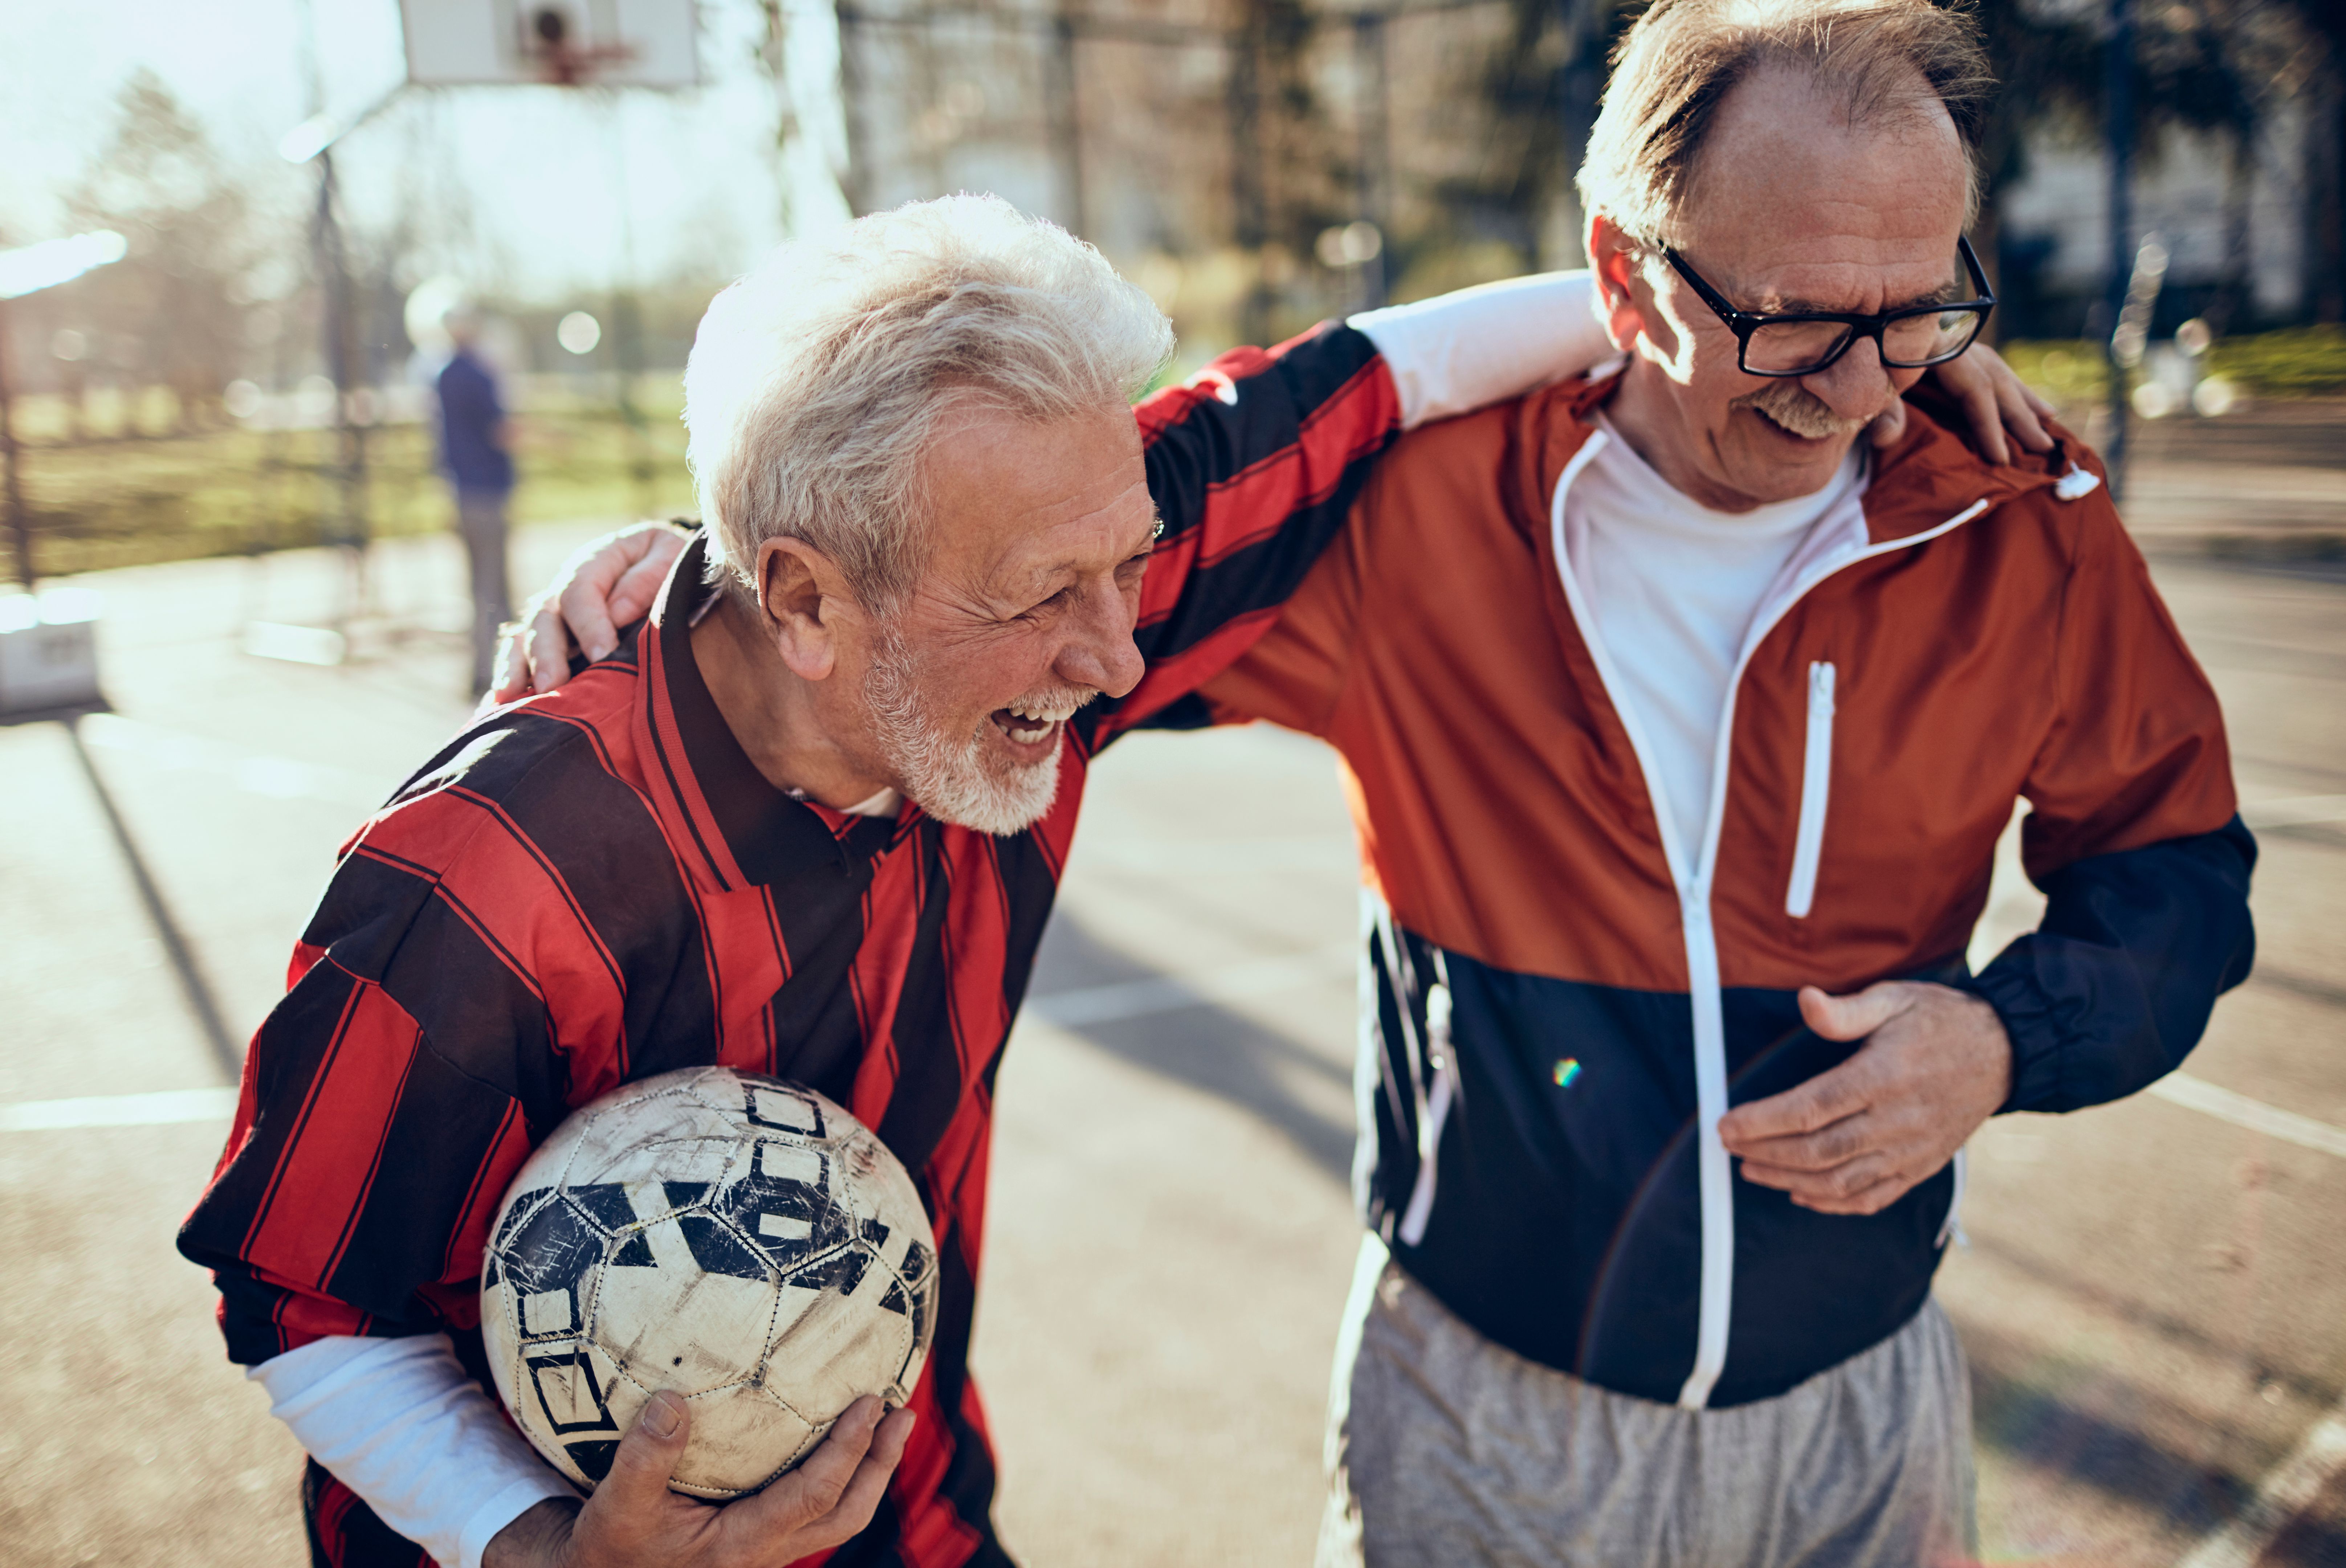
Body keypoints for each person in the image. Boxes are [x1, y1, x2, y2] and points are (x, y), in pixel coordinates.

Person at [524, 4, 2251, 1563]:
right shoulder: (1413, 514)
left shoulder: (2019, 523)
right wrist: (736, 569)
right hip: (1482, 1425)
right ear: (1626, 272)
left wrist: (2005, 1039)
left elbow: (2174, 873)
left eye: (1914, 310)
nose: (1861, 390)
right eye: (1797, 318)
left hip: (1860, 1410)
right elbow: (1012, 560)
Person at [178, 195, 1730, 1568]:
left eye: (1129, 564)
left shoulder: (1041, 547)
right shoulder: (491, 868)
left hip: (915, 1528)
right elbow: (304, 1299)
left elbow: (1376, 376)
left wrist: (1761, 316)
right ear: (802, 600)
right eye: (1048, 596)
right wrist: (533, 1543)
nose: (1116, 653)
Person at [434, 302, 516, 693]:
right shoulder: (478, 375)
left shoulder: (443, 375)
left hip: (462, 490)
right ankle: (499, 670)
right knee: (493, 585)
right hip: (487, 491)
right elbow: (498, 430)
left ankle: (485, 667)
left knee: (478, 585)